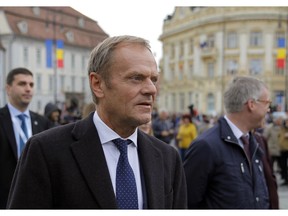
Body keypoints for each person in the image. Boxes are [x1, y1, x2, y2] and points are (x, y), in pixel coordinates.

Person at [7, 35, 187, 209]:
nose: (151, 89)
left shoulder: (168, 157)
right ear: (98, 84)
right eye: (136, 78)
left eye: (153, 79)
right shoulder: (46, 151)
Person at [184, 76, 278, 209]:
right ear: (251, 104)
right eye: (267, 102)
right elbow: (187, 201)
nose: (269, 109)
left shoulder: (257, 141)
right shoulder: (206, 146)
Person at [0, 67, 51, 209]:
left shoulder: (43, 122)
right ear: (8, 89)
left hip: (38, 199)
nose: (28, 89)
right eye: (22, 84)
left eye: (31, 85)